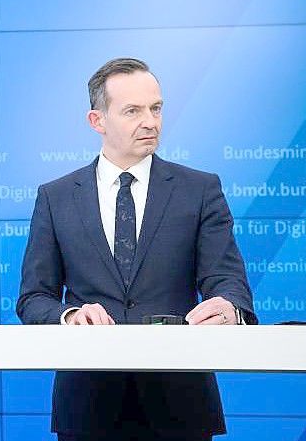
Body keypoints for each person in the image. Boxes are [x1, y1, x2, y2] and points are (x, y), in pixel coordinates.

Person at [16, 58, 257, 441]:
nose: (151, 121)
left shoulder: (200, 189)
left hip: (180, 404)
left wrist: (228, 307)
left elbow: (227, 280)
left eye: (156, 108)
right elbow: (33, 298)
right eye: (133, 111)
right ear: (97, 121)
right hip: (89, 407)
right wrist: (72, 314)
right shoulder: (56, 197)